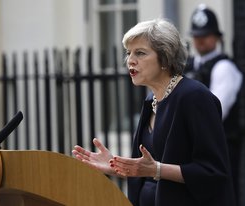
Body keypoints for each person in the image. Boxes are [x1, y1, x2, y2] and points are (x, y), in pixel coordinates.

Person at [72, 18, 235, 206]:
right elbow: (148, 171)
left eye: (140, 53)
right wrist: (118, 166)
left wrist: (156, 170)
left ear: (165, 57)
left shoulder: (194, 97)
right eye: (128, 53)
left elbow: (213, 172)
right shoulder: (152, 100)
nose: (130, 60)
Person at [184, 5, 243, 204]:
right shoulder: (187, 66)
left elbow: (214, 114)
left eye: (206, 34)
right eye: (197, 35)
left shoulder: (224, 67)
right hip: (192, 153)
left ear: (216, 37)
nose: (200, 39)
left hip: (218, 152)